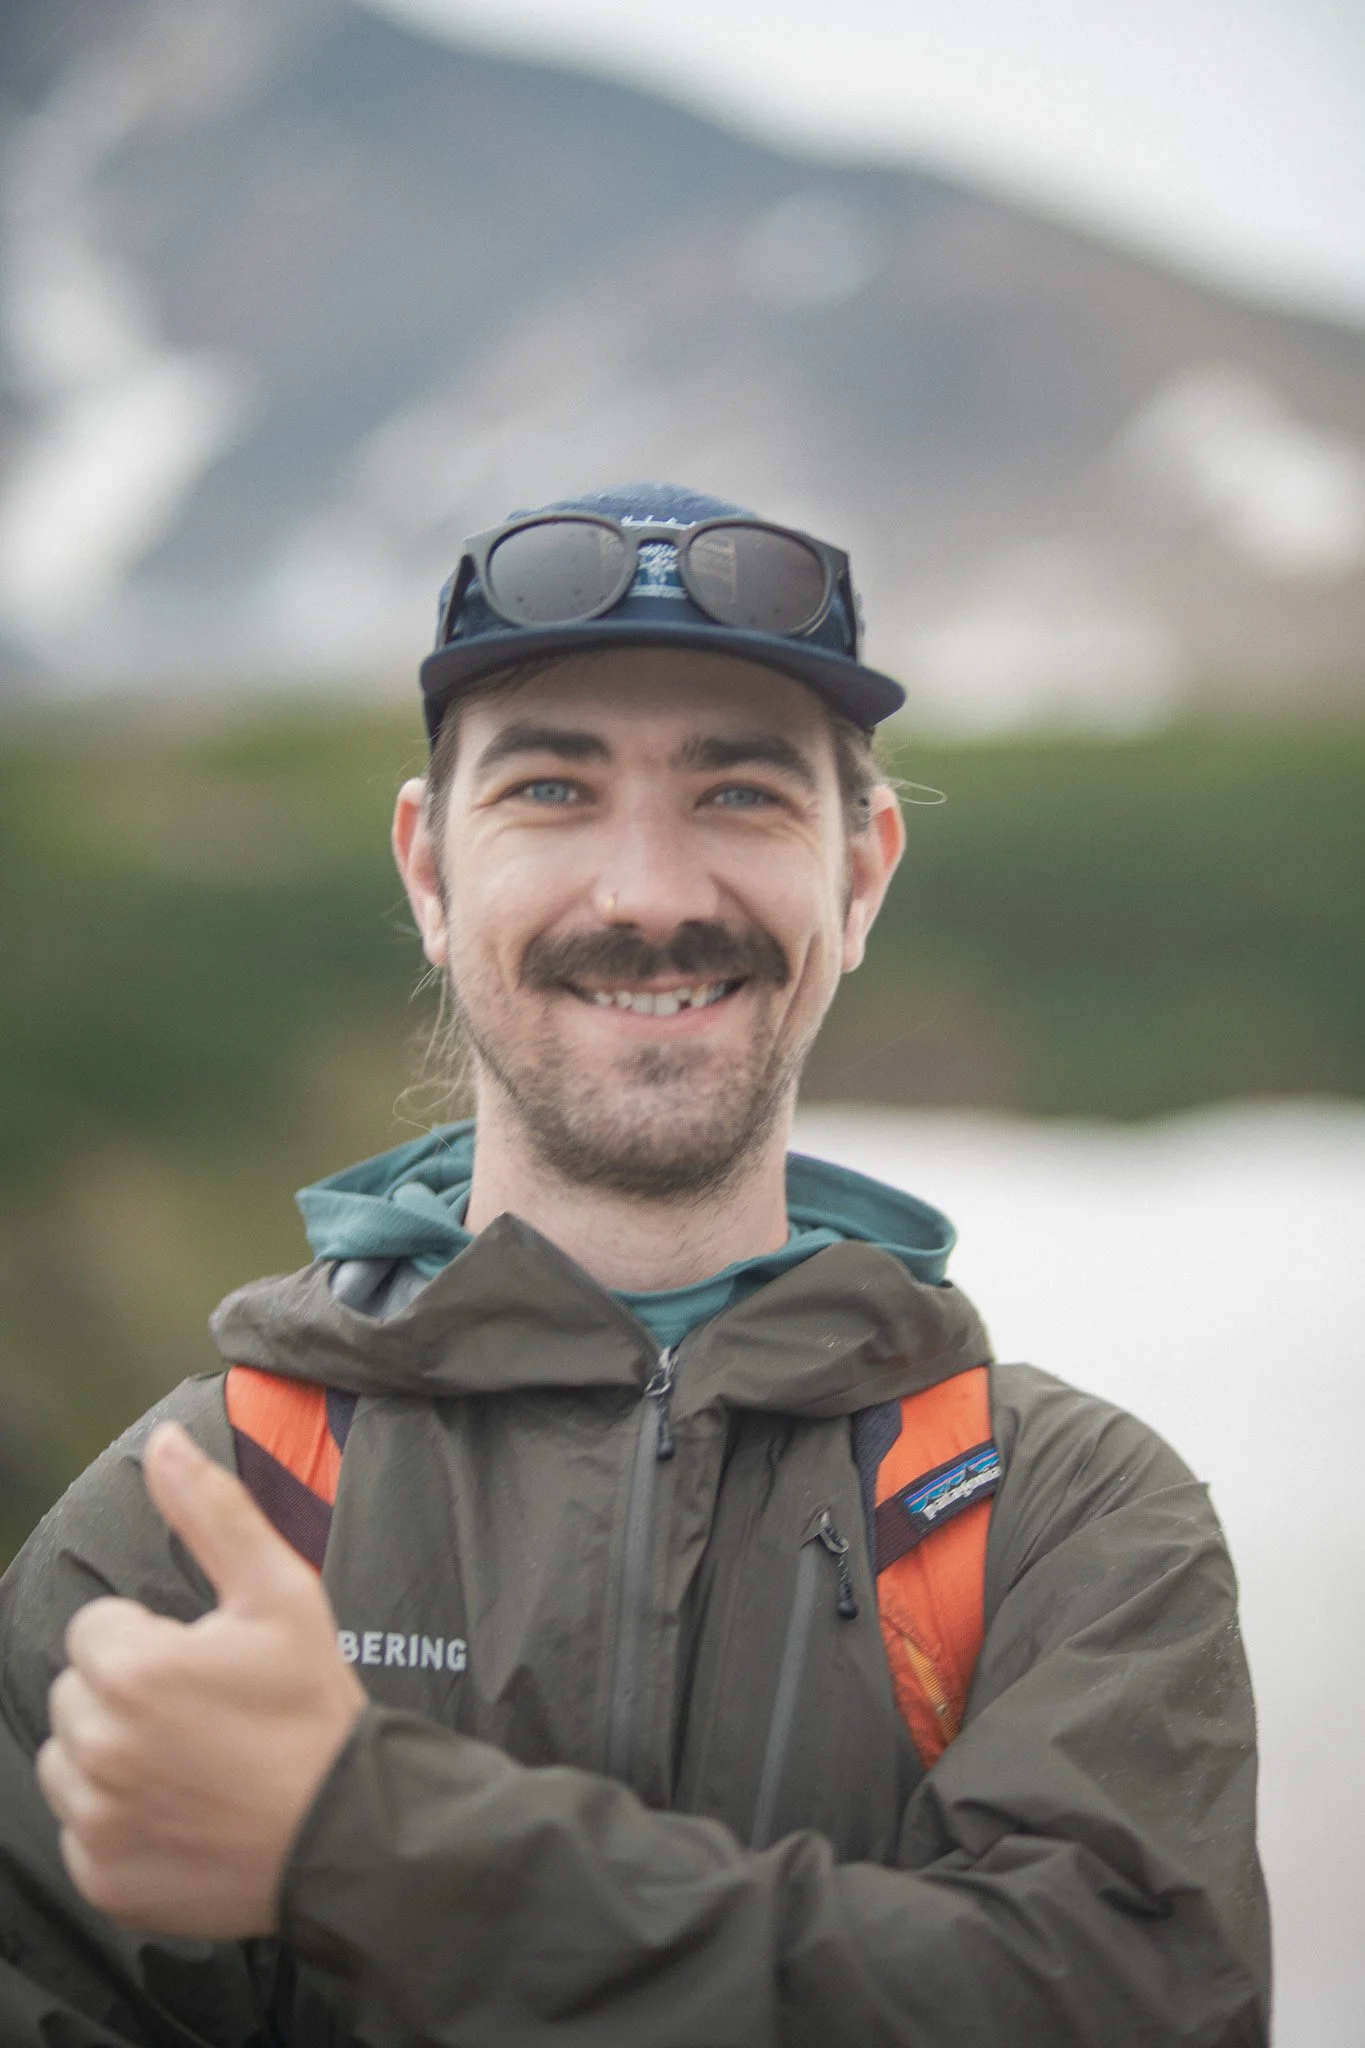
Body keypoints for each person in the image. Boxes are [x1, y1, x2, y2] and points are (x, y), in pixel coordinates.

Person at [0, 484, 1269, 2047]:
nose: (652, 893)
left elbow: (1125, 2009)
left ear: (861, 876)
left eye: (739, 794)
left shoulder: (1060, 1522)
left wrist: (360, 1842)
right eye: (551, 789)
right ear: (428, 873)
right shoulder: (186, 1526)